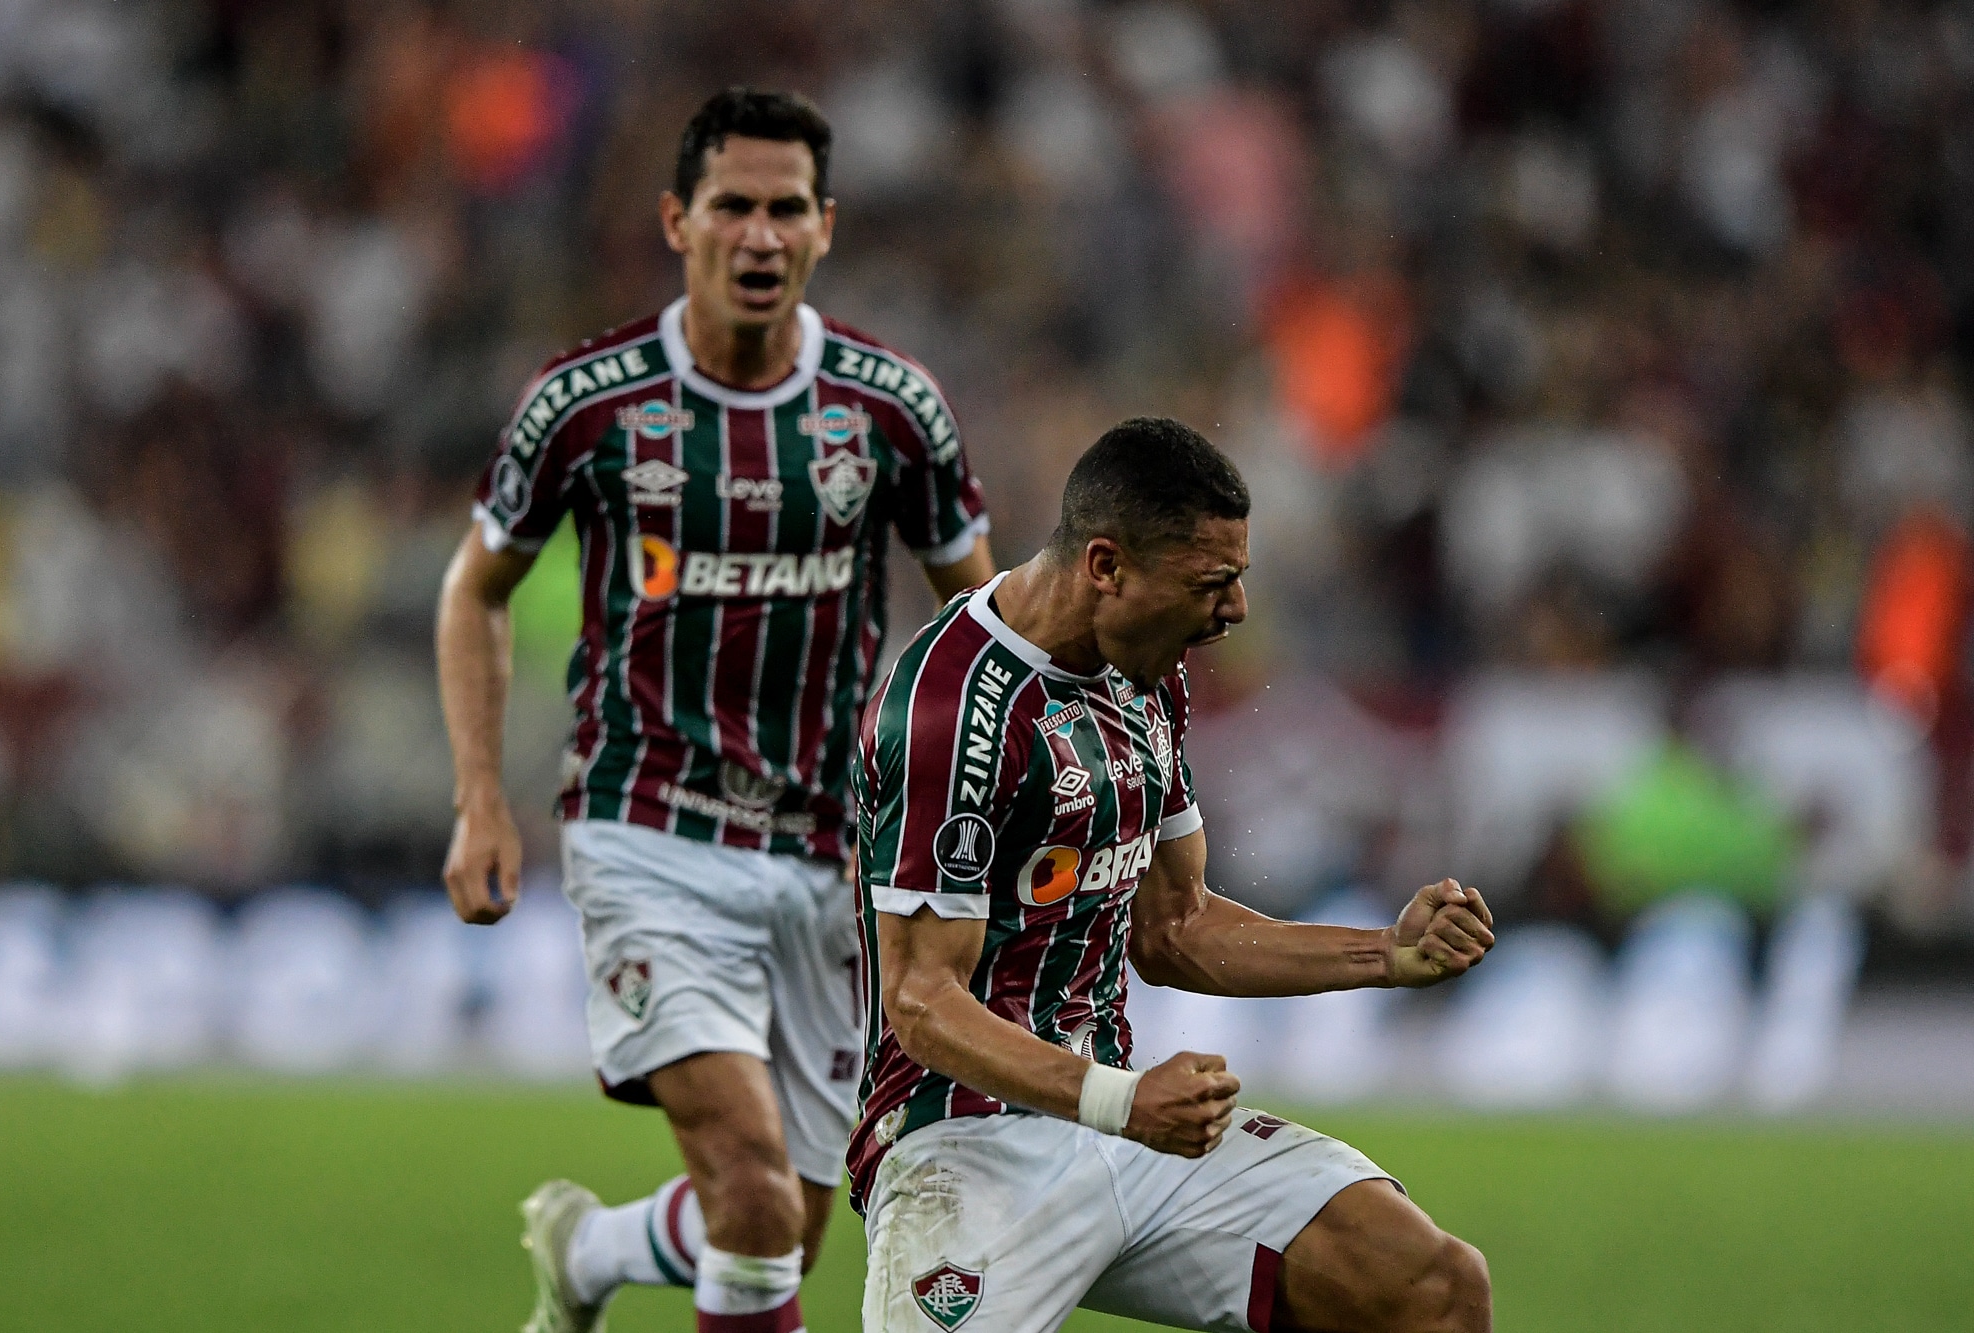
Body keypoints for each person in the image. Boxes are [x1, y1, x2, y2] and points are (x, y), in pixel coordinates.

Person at [436, 88, 995, 1333]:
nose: (759, 234)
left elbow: (987, 623)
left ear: (825, 226)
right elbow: (476, 588)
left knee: (787, 1223)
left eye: (784, 208)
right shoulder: (587, 401)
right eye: (731, 206)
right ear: (676, 220)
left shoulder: (889, 408)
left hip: (827, 850)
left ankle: (591, 1250)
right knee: (746, 1186)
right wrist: (480, 795)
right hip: (646, 826)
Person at [849, 417, 1495, 1333]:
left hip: (1123, 1121)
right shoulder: (951, 712)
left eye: (1238, 578)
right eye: (1211, 582)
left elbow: (1173, 925)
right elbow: (920, 1000)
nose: (1233, 610)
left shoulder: (1142, 669)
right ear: (1105, 565)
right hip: (963, 1142)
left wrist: (1386, 952)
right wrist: (1124, 1099)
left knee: (1431, 1287)